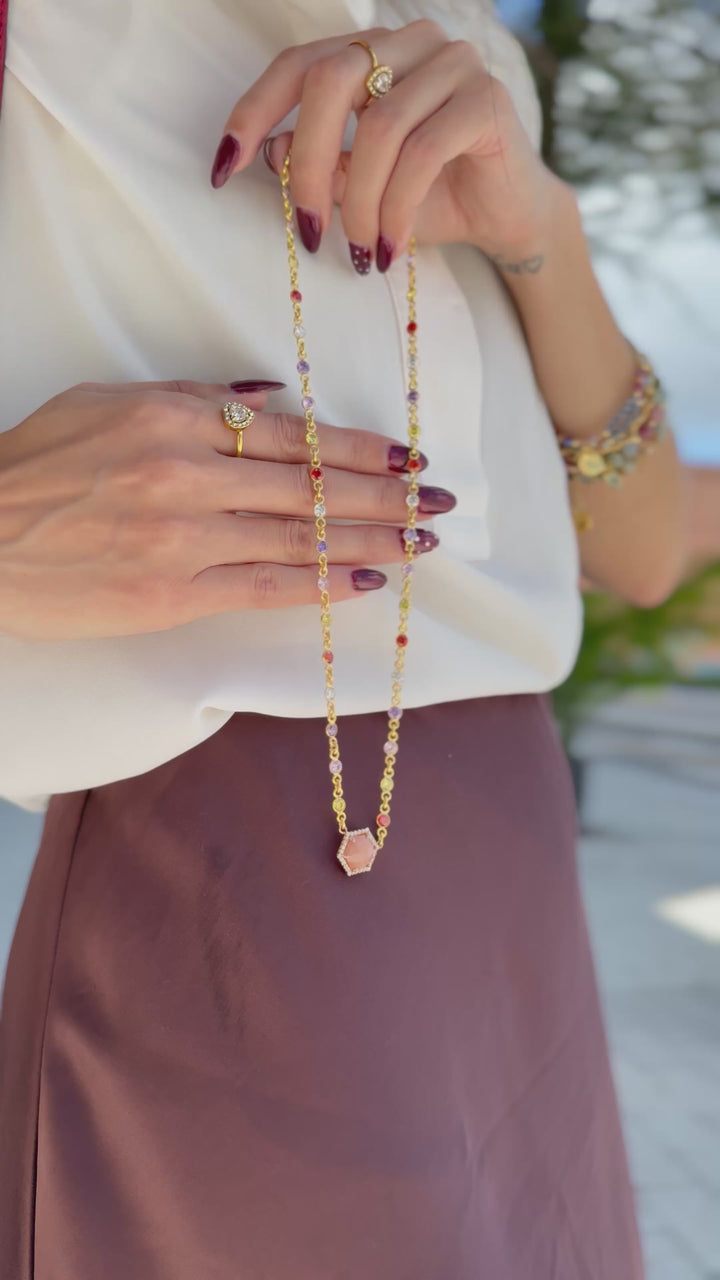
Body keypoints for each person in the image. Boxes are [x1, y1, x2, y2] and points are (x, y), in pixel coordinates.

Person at [0, 0, 683, 1276]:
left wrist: (542, 232)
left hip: (516, 882)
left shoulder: (458, 44)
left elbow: (643, 549)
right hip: (231, 920)